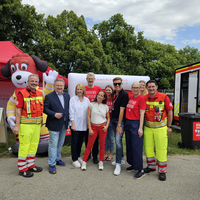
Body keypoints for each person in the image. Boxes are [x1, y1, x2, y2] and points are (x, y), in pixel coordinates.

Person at [13, 74, 43, 178]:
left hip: (37, 125)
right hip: (25, 126)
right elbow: (18, 111)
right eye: (32, 81)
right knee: (24, 146)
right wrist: (17, 126)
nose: (34, 83)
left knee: (34, 145)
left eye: (36, 81)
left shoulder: (39, 93)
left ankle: (30, 165)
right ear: (28, 82)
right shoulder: (22, 93)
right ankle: (22, 169)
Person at [143, 80, 173, 181]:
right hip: (148, 128)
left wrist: (169, 126)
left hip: (161, 128)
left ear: (157, 87)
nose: (151, 88)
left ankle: (162, 171)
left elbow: (169, 112)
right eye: (149, 87)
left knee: (161, 149)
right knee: (148, 148)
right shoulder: (144, 98)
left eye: (153, 86)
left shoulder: (164, 97)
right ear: (147, 88)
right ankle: (151, 166)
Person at [44, 79, 70, 174]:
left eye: (61, 86)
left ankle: (57, 159)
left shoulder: (67, 95)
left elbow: (67, 109)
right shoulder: (49, 96)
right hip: (54, 123)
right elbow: (45, 109)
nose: (59, 87)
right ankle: (51, 164)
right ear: (54, 86)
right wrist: (54, 114)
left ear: (64, 86)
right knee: (53, 144)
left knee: (60, 143)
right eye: (58, 85)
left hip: (64, 123)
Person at [81, 90, 110, 171]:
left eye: (101, 95)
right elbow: (88, 117)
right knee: (89, 145)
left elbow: (108, 118)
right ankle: (84, 161)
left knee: (102, 145)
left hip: (102, 128)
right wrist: (90, 128)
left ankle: (101, 162)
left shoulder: (105, 106)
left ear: (104, 98)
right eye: (98, 95)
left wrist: (106, 126)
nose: (99, 96)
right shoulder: (91, 105)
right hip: (93, 127)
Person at [125, 82, 146, 179]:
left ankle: (140, 169)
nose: (135, 89)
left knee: (136, 146)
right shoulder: (131, 97)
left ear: (140, 88)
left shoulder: (141, 98)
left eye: (137, 87)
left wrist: (140, 128)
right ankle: (133, 164)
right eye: (134, 87)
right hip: (128, 122)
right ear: (131, 88)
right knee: (130, 145)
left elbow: (142, 114)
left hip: (136, 123)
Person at [111, 77, 129, 176]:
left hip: (119, 121)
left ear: (122, 84)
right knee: (115, 139)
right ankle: (121, 158)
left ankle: (118, 164)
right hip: (113, 119)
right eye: (115, 84)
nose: (117, 85)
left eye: (119, 84)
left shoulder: (124, 94)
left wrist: (119, 125)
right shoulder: (114, 93)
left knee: (118, 142)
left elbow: (122, 111)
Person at [69, 84, 90, 168]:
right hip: (75, 124)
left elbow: (88, 113)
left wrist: (88, 124)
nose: (79, 91)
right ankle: (74, 159)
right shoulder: (73, 100)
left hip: (84, 125)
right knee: (74, 142)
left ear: (83, 90)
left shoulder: (87, 100)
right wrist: (73, 124)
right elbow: (71, 113)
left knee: (80, 142)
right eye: (77, 89)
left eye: (80, 89)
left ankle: (78, 156)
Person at [85, 72, 102, 164]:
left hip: (96, 117)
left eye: (92, 78)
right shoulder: (84, 88)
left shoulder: (98, 89)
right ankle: (88, 155)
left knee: (95, 138)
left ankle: (95, 156)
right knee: (87, 137)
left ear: (94, 79)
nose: (90, 80)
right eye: (89, 78)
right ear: (86, 79)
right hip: (86, 116)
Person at [104, 85, 114, 161]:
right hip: (104, 121)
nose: (108, 92)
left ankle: (111, 153)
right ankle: (106, 153)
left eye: (109, 90)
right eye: (106, 90)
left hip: (112, 121)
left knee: (111, 138)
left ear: (112, 90)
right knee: (105, 138)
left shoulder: (114, 99)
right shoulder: (104, 100)